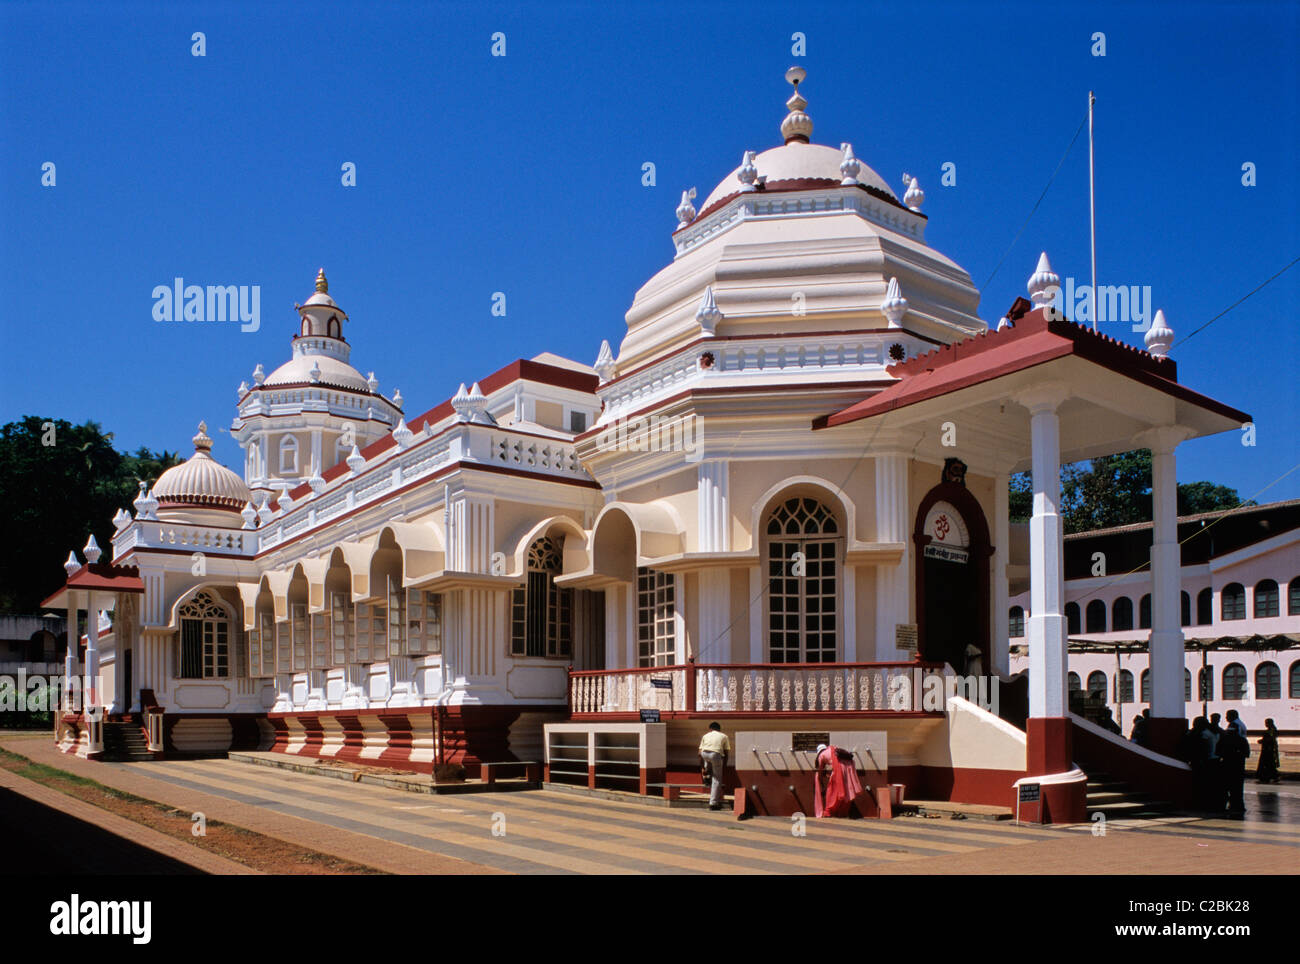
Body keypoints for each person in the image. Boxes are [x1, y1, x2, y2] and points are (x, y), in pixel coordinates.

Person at [813, 743, 864, 818]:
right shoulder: (833, 749)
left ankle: (828, 811)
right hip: (849, 768)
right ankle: (842, 812)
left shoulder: (821, 755)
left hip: (840, 770)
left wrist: (819, 778)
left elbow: (820, 769)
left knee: (832, 791)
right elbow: (836, 762)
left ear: (819, 751)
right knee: (847, 790)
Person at [1217, 722, 1250, 816]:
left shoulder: (1224, 740)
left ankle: (1222, 805)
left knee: (1224, 788)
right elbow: (1247, 754)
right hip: (1238, 768)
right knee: (1237, 789)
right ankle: (1237, 806)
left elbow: (1217, 752)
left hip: (1225, 767)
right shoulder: (1242, 740)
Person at [697, 722, 730, 811]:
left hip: (705, 754)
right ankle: (713, 803)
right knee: (717, 779)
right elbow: (726, 753)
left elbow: (699, 753)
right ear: (719, 729)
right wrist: (724, 766)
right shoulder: (724, 736)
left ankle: (707, 775)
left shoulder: (705, 735)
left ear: (710, 729)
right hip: (715, 754)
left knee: (708, 761)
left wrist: (702, 768)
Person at [1256, 718, 1281, 784]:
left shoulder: (1271, 731)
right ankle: (1269, 777)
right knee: (1269, 764)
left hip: (1268, 750)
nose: (1265, 724)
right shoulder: (1272, 730)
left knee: (1268, 763)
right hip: (1267, 749)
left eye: (1266, 723)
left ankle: (1269, 777)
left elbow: (1270, 739)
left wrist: (1262, 741)